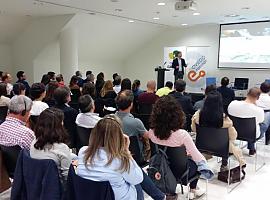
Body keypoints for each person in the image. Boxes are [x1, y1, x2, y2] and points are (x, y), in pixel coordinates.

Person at [77, 115, 165, 200]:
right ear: (118, 137)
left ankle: (160, 196)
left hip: (91, 196)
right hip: (115, 196)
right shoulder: (120, 159)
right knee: (135, 181)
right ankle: (160, 197)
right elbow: (138, 179)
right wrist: (126, 151)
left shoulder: (83, 152)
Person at [147, 95, 206, 199]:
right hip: (181, 173)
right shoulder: (182, 134)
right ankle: (193, 188)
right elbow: (198, 157)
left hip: (159, 169)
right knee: (196, 163)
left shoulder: (151, 132)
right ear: (177, 114)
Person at [192, 91, 246, 171]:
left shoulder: (198, 116)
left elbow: (194, 129)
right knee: (227, 143)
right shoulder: (225, 119)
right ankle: (224, 165)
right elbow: (233, 136)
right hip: (221, 148)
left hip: (202, 145)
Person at [30, 108, 75, 187]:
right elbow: (67, 179)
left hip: (36, 184)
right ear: (59, 125)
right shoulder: (62, 148)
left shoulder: (33, 142)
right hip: (56, 188)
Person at [228, 87, 264, 156]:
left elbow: (229, 113)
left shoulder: (233, 104)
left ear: (247, 94)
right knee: (263, 125)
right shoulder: (259, 110)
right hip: (251, 135)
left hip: (235, 132)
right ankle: (251, 148)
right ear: (258, 98)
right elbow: (261, 121)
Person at [115, 90, 149, 160]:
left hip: (114, 154)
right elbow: (148, 137)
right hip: (134, 157)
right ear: (131, 104)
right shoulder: (136, 122)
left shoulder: (109, 119)